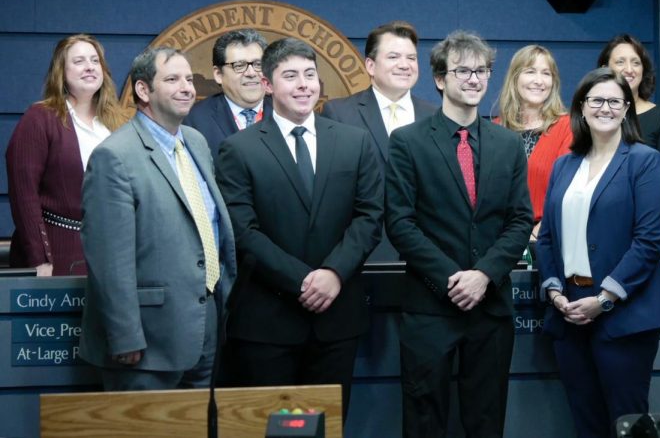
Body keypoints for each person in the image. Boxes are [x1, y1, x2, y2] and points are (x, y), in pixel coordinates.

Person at [215, 38, 383, 420]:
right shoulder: (238, 149)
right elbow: (242, 230)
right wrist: (305, 281)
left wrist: (334, 274)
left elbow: (370, 216)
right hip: (267, 322)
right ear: (268, 84)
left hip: (336, 319)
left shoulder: (354, 142)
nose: (304, 84)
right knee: (269, 430)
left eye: (310, 75)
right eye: (290, 76)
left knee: (327, 427)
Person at [385, 30, 533, 438]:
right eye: (463, 70)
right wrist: (453, 278)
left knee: (486, 422)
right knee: (424, 421)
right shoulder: (407, 142)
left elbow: (520, 220)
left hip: (491, 309)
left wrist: (483, 275)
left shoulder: (507, 144)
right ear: (439, 78)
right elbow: (400, 222)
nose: (474, 79)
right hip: (430, 307)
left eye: (482, 70)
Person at [79, 47, 237, 390]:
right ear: (143, 90)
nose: (186, 88)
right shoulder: (114, 156)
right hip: (146, 344)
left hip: (204, 330)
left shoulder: (195, 142)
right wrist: (124, 335)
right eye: (172, 79)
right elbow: (109, 260)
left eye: (188, 79)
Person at [535, 67, 660, 438]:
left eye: (615, 100)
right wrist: (554, 291)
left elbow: (649, 241)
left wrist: (605, 298)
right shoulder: (565, 165)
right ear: (581, 107)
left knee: (627, 424)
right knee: (586, 422)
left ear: (627, 109)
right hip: (570, 311)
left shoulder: (645, 161)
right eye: (596, 100)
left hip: (623, 313)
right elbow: (546, 237)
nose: (606, 108)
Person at [5, 34, 127, 276]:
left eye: (95, 60)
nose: (90, 66)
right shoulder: (39, 118)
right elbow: (24, 195)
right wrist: (39, 260)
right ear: (61, 71)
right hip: (58, 254)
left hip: (113, 252)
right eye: (79, 61)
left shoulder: (118, 123)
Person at [321, 20, 435, 261]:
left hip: (426, 254)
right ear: (370, 65)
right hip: (364, 253)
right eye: (393, 57)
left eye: (411, 58)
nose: (405, 65)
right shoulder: (339, 113)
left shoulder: (435, 116)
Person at [495, 44, 572, 241]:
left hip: (546, 237)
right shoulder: (494, 129)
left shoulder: (567, 127)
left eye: (546, 73)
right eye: (530, 71)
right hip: (497, 240)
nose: (539, 81)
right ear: (515, 78)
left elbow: (569, 190)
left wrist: (537, 232)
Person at [597, 34, 660, 199]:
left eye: (636, 62)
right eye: (620, 62)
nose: (629, 69)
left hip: (646, 218)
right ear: (604, 68)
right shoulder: (594, 116)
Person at [184, 28, 271, 156]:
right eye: (239, 65)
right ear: (219, 74)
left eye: (258, 64)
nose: (251, 73)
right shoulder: (194, 121)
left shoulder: (288, 113)